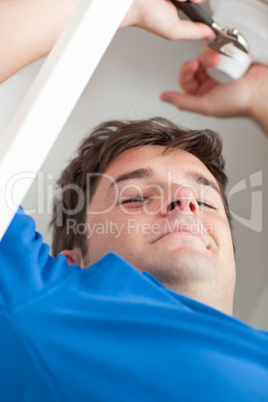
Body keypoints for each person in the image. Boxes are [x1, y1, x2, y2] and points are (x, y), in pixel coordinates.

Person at [0, 1, 267, 401]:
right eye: (137, 197)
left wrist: (260, 95)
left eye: (207, 202)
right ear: (73, 263)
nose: (185, 202)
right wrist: (119, 6)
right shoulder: (52, 311)